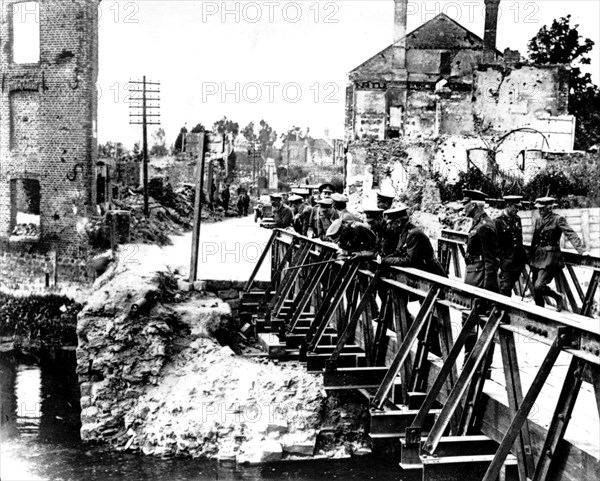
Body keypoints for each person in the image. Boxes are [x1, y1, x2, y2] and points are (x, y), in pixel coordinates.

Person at [460, 189, 499, 362]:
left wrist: (489, 290)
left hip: (480, 278)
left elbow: (491, 260)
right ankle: (471, 360)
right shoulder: (478, 223)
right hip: (473, 275)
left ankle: (484, 364)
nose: (463, 207)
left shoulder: (485, 226)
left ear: (474, 205)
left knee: (482, 321)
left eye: (465, 203)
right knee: (468, 319)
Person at [529, 196, 588, 310]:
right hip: (538, 257)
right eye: (538, 208)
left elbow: (570, 233)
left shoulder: (558, 219)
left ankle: (558, 297)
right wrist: (530, 256)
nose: (539, 211)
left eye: (542, 208)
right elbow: (535, 239)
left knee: (539, 286)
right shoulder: (538, 220)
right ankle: (539, 312)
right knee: (535, 289)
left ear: (549, 208)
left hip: (551, 257)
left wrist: (580, 249)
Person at [380, 206, 446, 276]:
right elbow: (398, 252)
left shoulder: (414, 234)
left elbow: (409, 260)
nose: (389, 227)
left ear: (398, 222)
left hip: (432, 274)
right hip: (423, 273)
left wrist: (386, 260)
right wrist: (385, 258)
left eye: (390, 224)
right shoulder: (404, 232)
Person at [495, 195, 527, 297]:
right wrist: (498, 265)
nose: (517, 210)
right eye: (515, 207)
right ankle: (504, 312)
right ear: (508, 205)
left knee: (513, 286)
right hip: (506, 264)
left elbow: (519, 240)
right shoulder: (498, 222)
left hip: (517, 262)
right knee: (504, 289)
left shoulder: (517, 219)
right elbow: (496, 245)